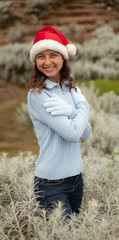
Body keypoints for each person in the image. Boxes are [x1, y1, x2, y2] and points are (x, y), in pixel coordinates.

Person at [27, 25, 91, 218]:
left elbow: (86, 133)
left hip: (75, 179)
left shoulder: (68, 88)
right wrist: (83, 106)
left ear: (63, 57)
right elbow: (73, 134)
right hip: (50, 184)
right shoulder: (38, 95)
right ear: (35, 60)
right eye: (41, 56)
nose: (47, 62)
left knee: (76, 233)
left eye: (53, 55)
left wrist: (72, 110)